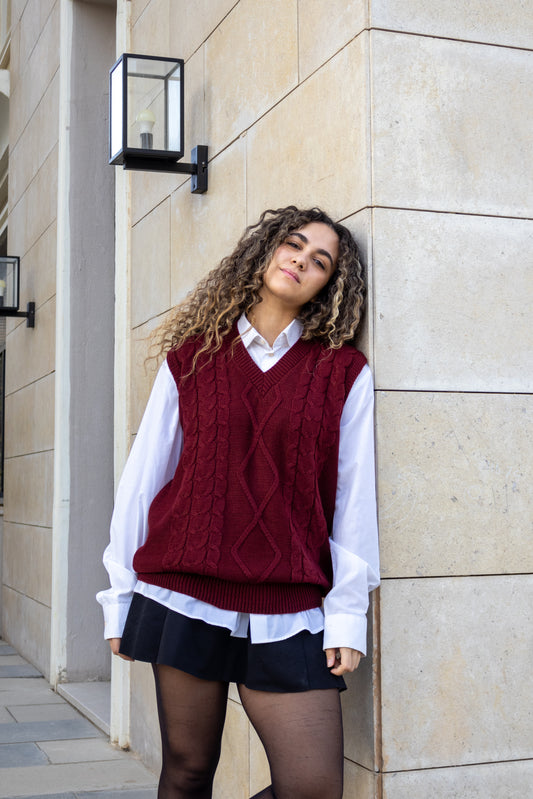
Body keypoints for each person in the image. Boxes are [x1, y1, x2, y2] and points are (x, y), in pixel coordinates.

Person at [97, 205, 380, 799]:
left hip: (290, 603)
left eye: (320, 260)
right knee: (188, 771)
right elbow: (145, 479)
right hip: (184, 592)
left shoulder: (343, 373)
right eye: (294, 244)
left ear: (330, 284)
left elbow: (353, 498)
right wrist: (119, 596)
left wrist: (348, 611)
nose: (302, 259)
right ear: (267, 252)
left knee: (313, 789)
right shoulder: (193, 356)